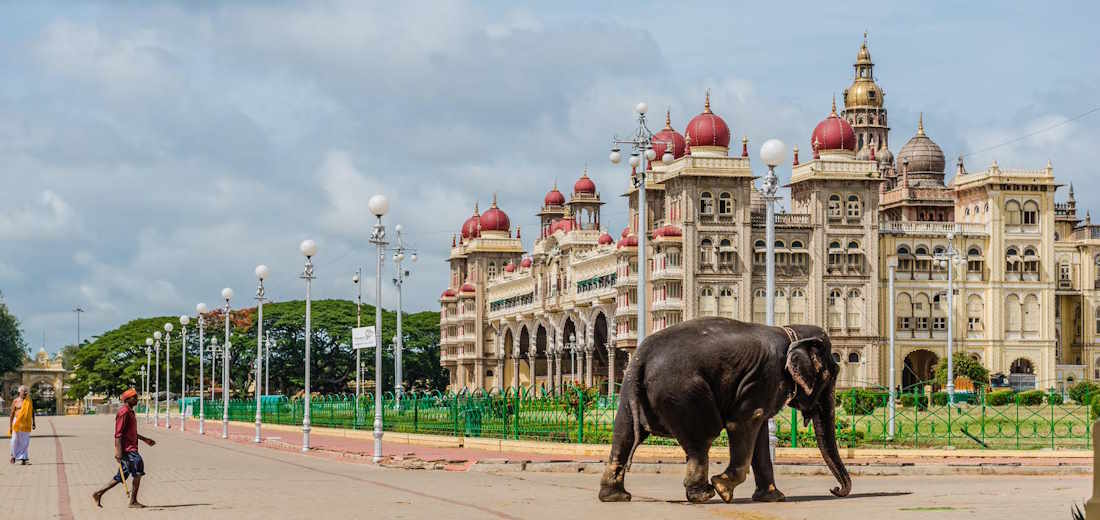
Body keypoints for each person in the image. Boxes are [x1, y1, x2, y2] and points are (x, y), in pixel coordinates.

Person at [92, 388, 156, 508]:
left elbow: (130, 433)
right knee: (138, 471)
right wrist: (118, 452)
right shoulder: (124, 412)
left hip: (131, 448)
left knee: (122, 476)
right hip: (128, 450)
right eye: (135, 398)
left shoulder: (130, 411)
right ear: (128, 399)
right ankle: (133, 501)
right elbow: (118, 434)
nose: (137, 399)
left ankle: (99, 493)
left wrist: (145, 439)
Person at [9, 385, 34, 465]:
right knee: (14, 440)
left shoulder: (29, 401)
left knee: (25, 441)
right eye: (24, 392)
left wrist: (34, 423)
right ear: (19, 392)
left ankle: (23, 458)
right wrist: (10, 426)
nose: (25, 393)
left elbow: (32, 412)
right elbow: (12, 413)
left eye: (26, 392)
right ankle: (13, 456)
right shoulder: (15, 401)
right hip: (17, 422)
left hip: (26, 423)